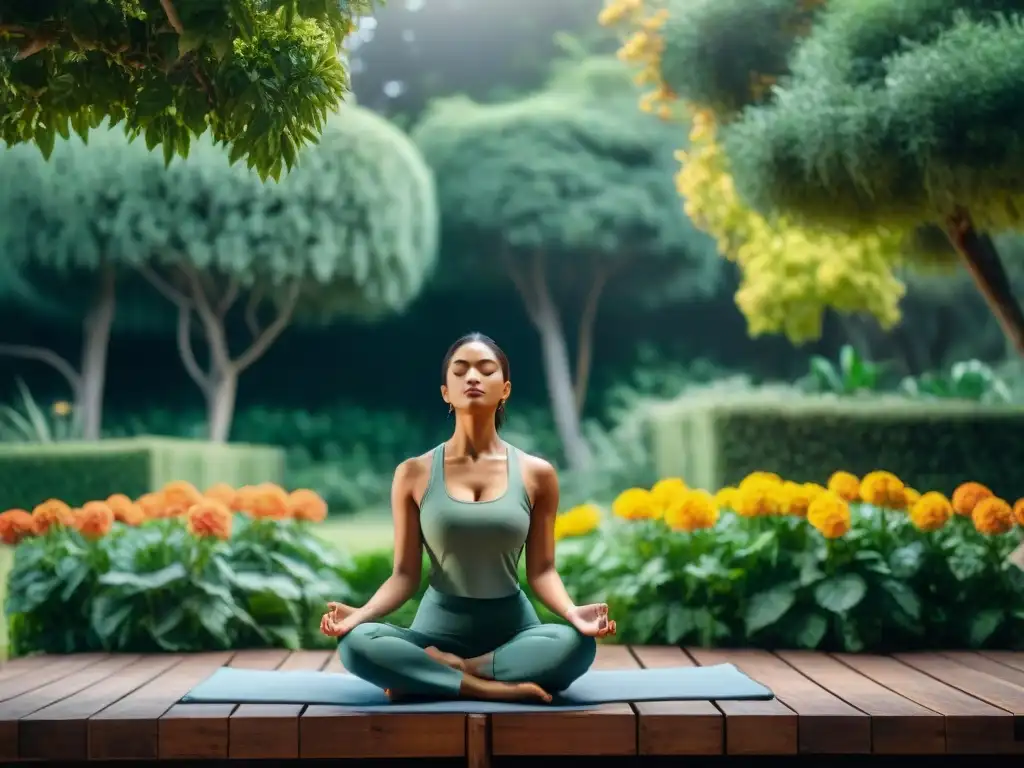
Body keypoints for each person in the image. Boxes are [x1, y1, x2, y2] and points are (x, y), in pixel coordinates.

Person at [319, 332, 616, 703]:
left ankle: (444, 671)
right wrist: (360, 615)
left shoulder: (537, 474)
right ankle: (487, 687)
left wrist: (574, 613)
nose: (472, 377)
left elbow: (542, 571)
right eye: (460, 371)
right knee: (356, 644)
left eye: (485, 369)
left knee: (577, 646)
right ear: (446, 391)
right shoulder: (413, 473)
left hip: (513, 632)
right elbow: (404, 575)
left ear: (504, 389)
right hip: (435, 630)